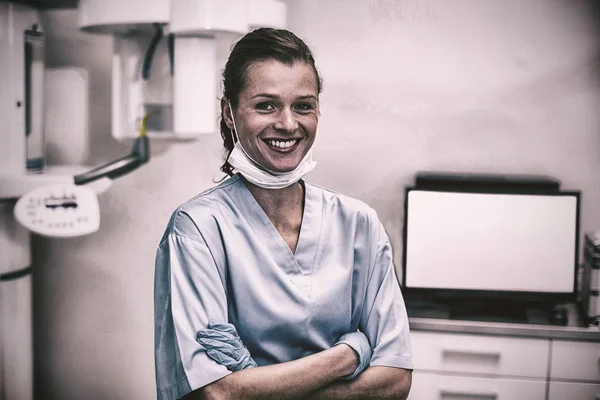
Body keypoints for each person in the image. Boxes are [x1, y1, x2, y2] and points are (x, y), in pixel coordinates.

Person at [154, 28, 413, 400]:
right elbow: (216, 394)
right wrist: (348, 354)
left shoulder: (359, 224)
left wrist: (256, 383)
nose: (288, 124)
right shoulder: (197, 229)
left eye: (303, 106)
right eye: (266, 105)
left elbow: (395, 380)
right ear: (228, 113)